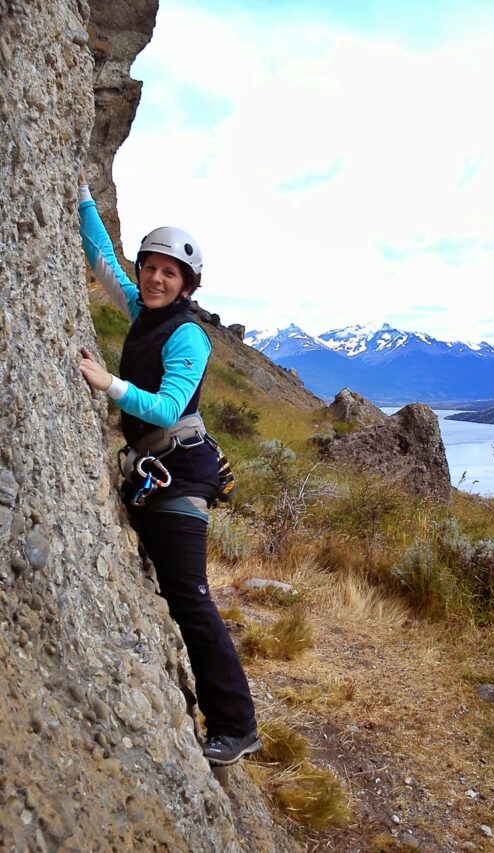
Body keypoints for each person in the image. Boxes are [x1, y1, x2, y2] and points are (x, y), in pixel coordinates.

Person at [77, 172, 260, 766]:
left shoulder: (188, 337)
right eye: (150, 266)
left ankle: (237, 725)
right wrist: (80, 195)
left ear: (186, 285)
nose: (155, 278)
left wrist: (108, 384)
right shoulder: (142, 310)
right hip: (157, 469)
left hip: (179, 474)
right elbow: (103, 260)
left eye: (169, 272)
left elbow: (164, 406)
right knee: (176, 592)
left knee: (190, 598)